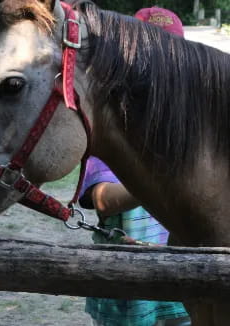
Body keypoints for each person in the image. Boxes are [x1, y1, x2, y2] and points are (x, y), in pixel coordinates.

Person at [79, 8, 190, 326]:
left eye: (173, 54)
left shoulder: (190, 121)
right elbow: (100, 199)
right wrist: (160, 183)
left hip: (186, 270)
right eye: (150, 54)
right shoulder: (110, 122)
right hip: (127, 278)